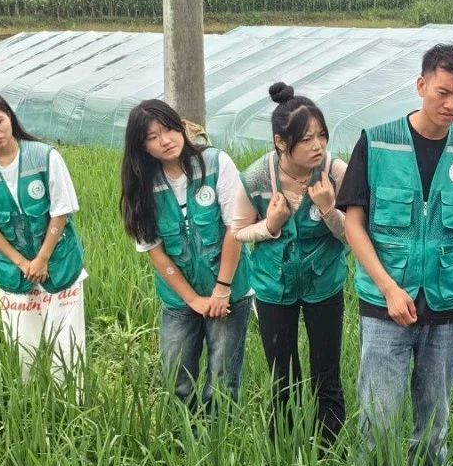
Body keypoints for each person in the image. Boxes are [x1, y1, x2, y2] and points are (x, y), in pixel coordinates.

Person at [336, 44, 453, 466]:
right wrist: (388, 287)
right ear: (421, 85)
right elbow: (354, 224)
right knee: (378, 416)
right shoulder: (376, 142)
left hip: (445, 305)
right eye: (443, 92)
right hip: (385, 302)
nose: (451, 105)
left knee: (435, 418)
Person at [119, 99, 251, 417]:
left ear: (180, 127)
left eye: (168, 129)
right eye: (152, 137)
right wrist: (192, 299)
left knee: (221, 382)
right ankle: (183, 446)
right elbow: (155, 251)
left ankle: (218, 446)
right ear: (142, 147)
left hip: (229, 292)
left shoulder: (216, 163)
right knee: (177, 377)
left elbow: (236, 227)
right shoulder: (143, 186)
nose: (165, 140)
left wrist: (221, 289)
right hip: (179, 300)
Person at [234, 83, 348, 444]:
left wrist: (330, 208)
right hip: (273, 286)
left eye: (322, 136)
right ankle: (283, 454)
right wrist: (270, 226)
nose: (318, 146)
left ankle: (330, 455)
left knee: (326, 374)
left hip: (324, 282)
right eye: (307, 139)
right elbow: (238, 232)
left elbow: (353, 235)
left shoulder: (335, 172)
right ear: (281, 142)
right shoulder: (256, 177)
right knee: (282, 376)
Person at [0, 89, 86, 385]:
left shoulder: (44, 156)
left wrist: (42, 258)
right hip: (13, 270)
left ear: (10, 118)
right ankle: (28, 407)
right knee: (21, 347)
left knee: (67, 345)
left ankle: (72, 408)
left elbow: (61, 210)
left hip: (58, 263)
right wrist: (22, 263)